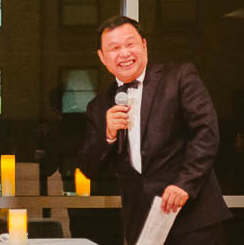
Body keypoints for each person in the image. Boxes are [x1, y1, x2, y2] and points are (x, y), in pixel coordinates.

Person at [78, 16, 231, 245]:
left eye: (130, 44)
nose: (124, 53)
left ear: (144, 45)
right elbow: (89, 168)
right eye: (114, 48)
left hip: (193, 220)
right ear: (102, 57)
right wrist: (107, 135)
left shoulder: (179, 77)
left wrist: (184, 184)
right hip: (143, 227)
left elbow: (206, 132)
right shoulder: (99, 105)